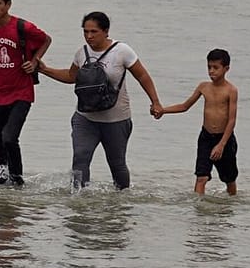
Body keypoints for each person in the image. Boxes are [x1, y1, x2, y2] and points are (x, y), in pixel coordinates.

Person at [38, 12, 165, 190]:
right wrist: (45, 70)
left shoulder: (122, 51)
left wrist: (155, 102)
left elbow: (142, 76)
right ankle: (79, 198)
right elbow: (71, 76)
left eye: (94, 32)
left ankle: (122, 199)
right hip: (85, 118)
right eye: (85, 31)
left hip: (116, 120)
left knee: (117, 164)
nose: (89, 36)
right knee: (80, 157)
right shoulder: (81, 53)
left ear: (106, 32)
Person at [0, 0, 51, 186]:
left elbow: (46, 40)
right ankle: (1, 187)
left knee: (9, 138)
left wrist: (35, 61)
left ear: (8, 4)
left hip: (21, 92)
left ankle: (18, 181)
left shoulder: (22, 27)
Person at [157, 48, 239, 195]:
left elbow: (232, 120)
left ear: (226, 69)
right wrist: (163, 110)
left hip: (224, 139)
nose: (211, 71)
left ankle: (231, 205)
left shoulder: (231, 90)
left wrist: (221, 145)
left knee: (229, 178)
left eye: (215, 68)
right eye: (209, 67)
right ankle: (198, 207)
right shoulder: (203, 87)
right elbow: (185, 106)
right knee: (201, 177)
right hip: (206, 137)